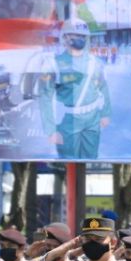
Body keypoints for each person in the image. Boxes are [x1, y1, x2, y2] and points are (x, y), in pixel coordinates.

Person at [40, 17, 111, 160]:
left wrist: (105, 113)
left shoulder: (94, 62)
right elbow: (45, 98)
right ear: (65, 37)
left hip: (92, 118)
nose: (80, 39)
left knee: (91, 158)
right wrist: (50, 130)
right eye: (75, 35)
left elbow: (103, 87)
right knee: (69, 161)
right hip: (68, 120)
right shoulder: (54, 64)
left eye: (82, 36)